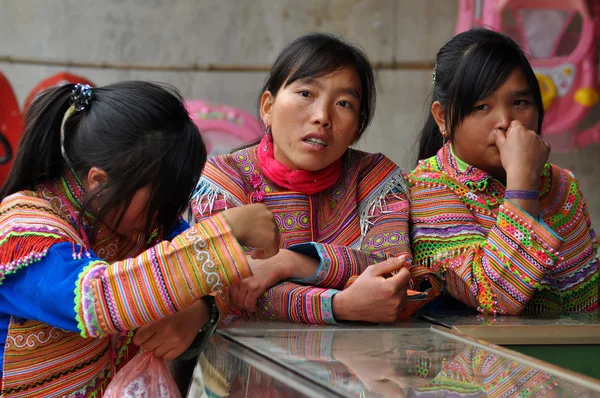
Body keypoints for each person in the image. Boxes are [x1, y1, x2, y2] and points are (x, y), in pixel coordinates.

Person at [0, 81, 279, 397]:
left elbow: (216, 273)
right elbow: (98, 300)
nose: (167, 213)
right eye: (160, 199)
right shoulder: (24, 233)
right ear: (99, 182)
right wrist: (225, 231)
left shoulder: (131, 217)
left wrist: (197, 311)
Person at [191, 33, 425, 325]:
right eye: (306, 94)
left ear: (356, 129)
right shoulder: (224, 179)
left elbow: (395, 271)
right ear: (267, 107)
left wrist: (289, 262)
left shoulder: (375, 178)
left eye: (343, 104)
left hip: (362, 364)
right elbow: (232, 291)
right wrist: (338, 306)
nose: (322, 116)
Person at [409, 28, 598, 315]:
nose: (505, 121)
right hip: (466, 358)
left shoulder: (561, 185)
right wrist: (523, 182)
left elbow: (587, 306)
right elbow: (496, 298)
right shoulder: (427, 188)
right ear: (443, 118)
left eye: (520, 103)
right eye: (482, 106)